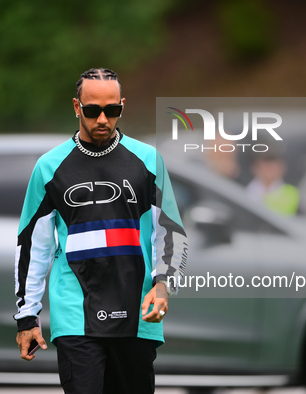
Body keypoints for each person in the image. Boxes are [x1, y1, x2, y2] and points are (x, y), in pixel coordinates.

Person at [14, 68, 187, 393]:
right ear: (77, 107)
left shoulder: (148, 160)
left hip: (137, 313)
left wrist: (163, 285)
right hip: (75, 314)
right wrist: (27, 315)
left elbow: (171, 231)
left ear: (122, 105)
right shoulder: (49, 166)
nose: (103, 119)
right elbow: (32, 245)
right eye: (93, 110)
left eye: (113, 110)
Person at [246, 151, 299, 216]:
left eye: (271, 168)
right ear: (255, 169)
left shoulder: (291, 192)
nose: (268, 172)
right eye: (264, 167)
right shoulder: (246, 188)